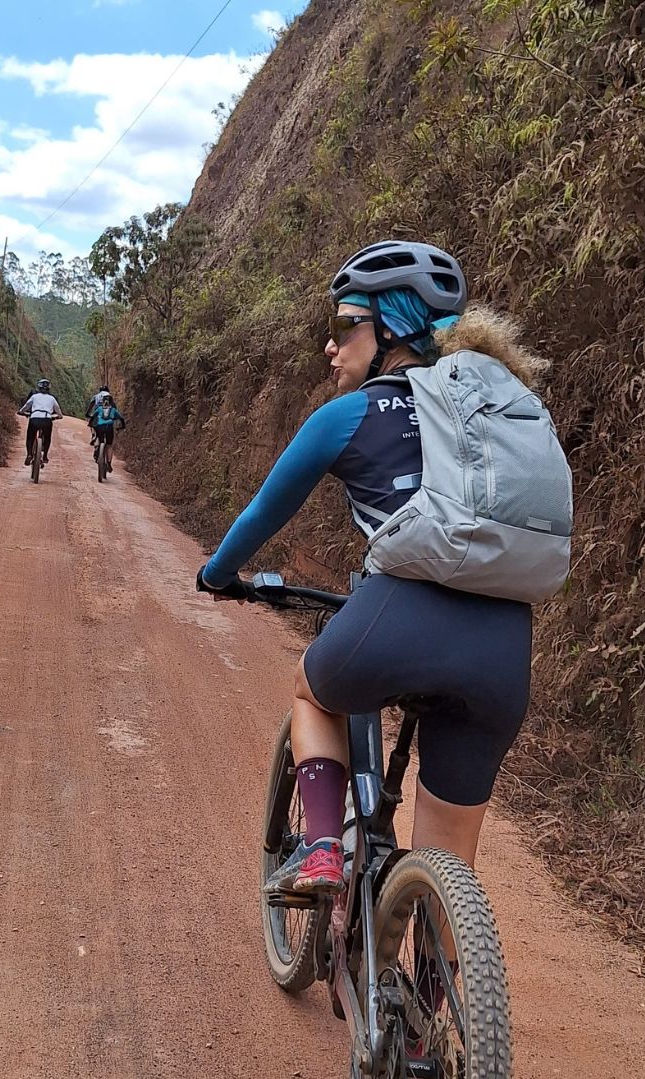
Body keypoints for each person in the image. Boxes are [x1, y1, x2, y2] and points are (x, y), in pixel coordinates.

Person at [196, 240, 543, 897]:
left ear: (390, 328)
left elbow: (261, 516)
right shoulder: (494, 415)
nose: (331, 346)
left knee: (312, 690)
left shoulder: (349, 415)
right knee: (448, 871)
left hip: (403, 615)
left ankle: (323, 850)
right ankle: (440, 954)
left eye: (343, 324)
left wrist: (217, 574)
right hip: (504, 648)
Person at [18, 378, 63, 466]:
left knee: (30, 437)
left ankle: (29, 454)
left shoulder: (34, 397)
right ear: (49, 389)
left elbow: (26, 406)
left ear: (39, 388)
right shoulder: (52, 398)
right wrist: (59, 416)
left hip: (34, 419)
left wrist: (21, 412)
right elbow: (58, 409)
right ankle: (45, 456)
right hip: (47, 420)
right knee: (47, 438)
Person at [88, 392, 126, 470]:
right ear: (111, 402)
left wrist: (90, 424)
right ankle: (108, 463)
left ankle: (98, 450)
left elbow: (93, 417)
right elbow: (121, 419)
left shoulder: (99, 409)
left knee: (99, 438)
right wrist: (122, 427)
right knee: (109, 445)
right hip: (109, 428)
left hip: (99, 427)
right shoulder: (113, 410)